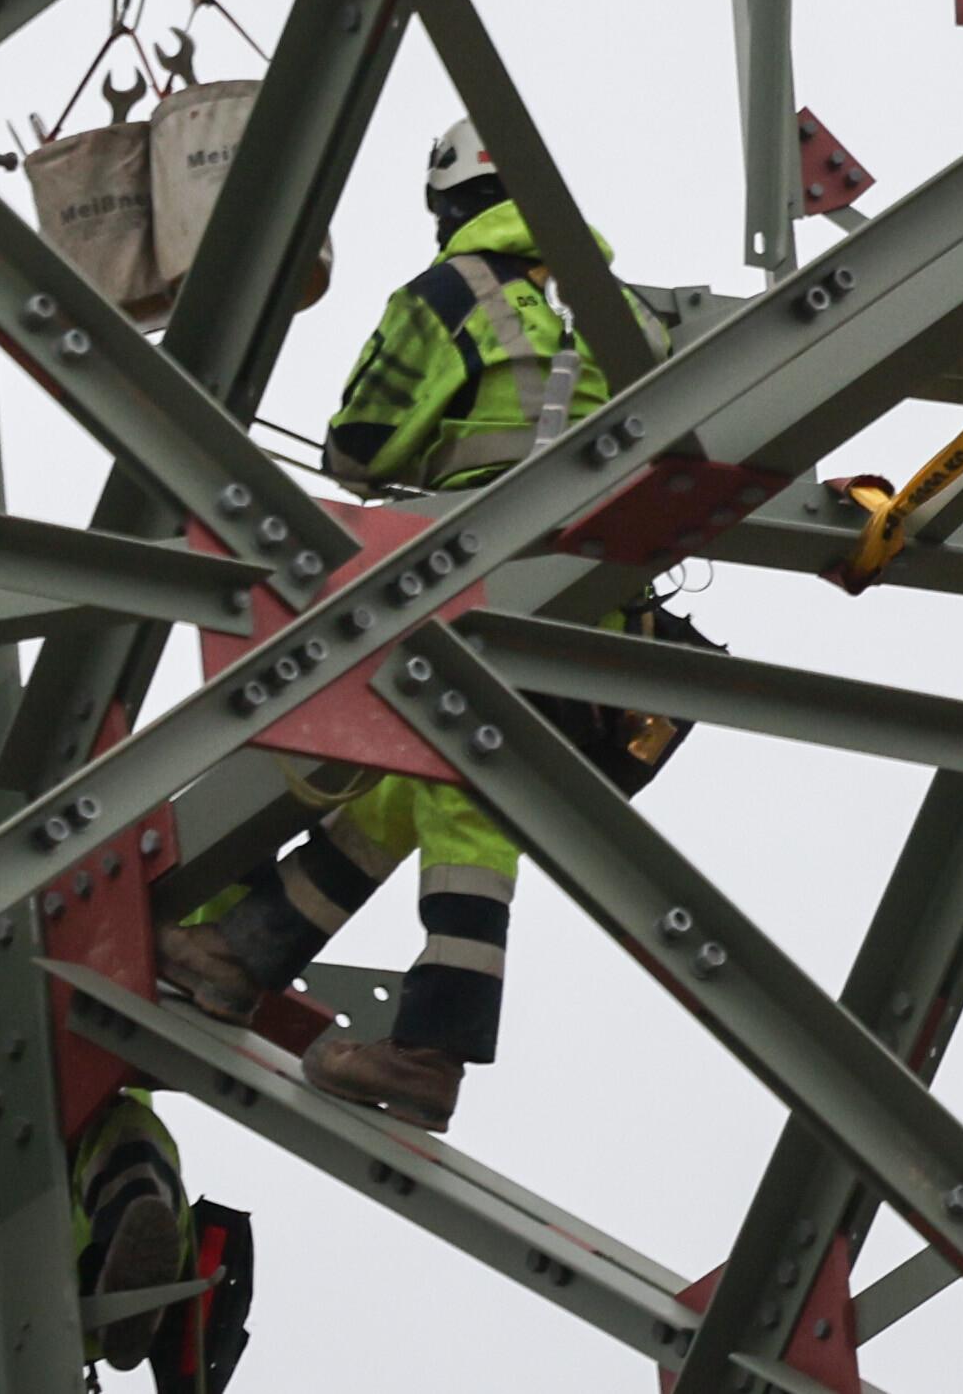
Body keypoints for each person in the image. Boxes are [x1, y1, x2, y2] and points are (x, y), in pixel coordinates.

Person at [140, 119, 708, 1127]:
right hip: (607, 631)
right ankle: (237, 952)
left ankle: (432, 1047)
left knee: (460, 800)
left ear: (453, 204)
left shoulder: (450, 296)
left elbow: (359, 447)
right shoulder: (630, 313)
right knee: (415, 790)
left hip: (491, 589)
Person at [65, 1081, 250, 1387]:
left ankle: (130, 1282)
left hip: (81, 1280)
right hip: (77, 1289)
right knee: (130, 1136)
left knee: (129, 1143)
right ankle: (129, 1287)